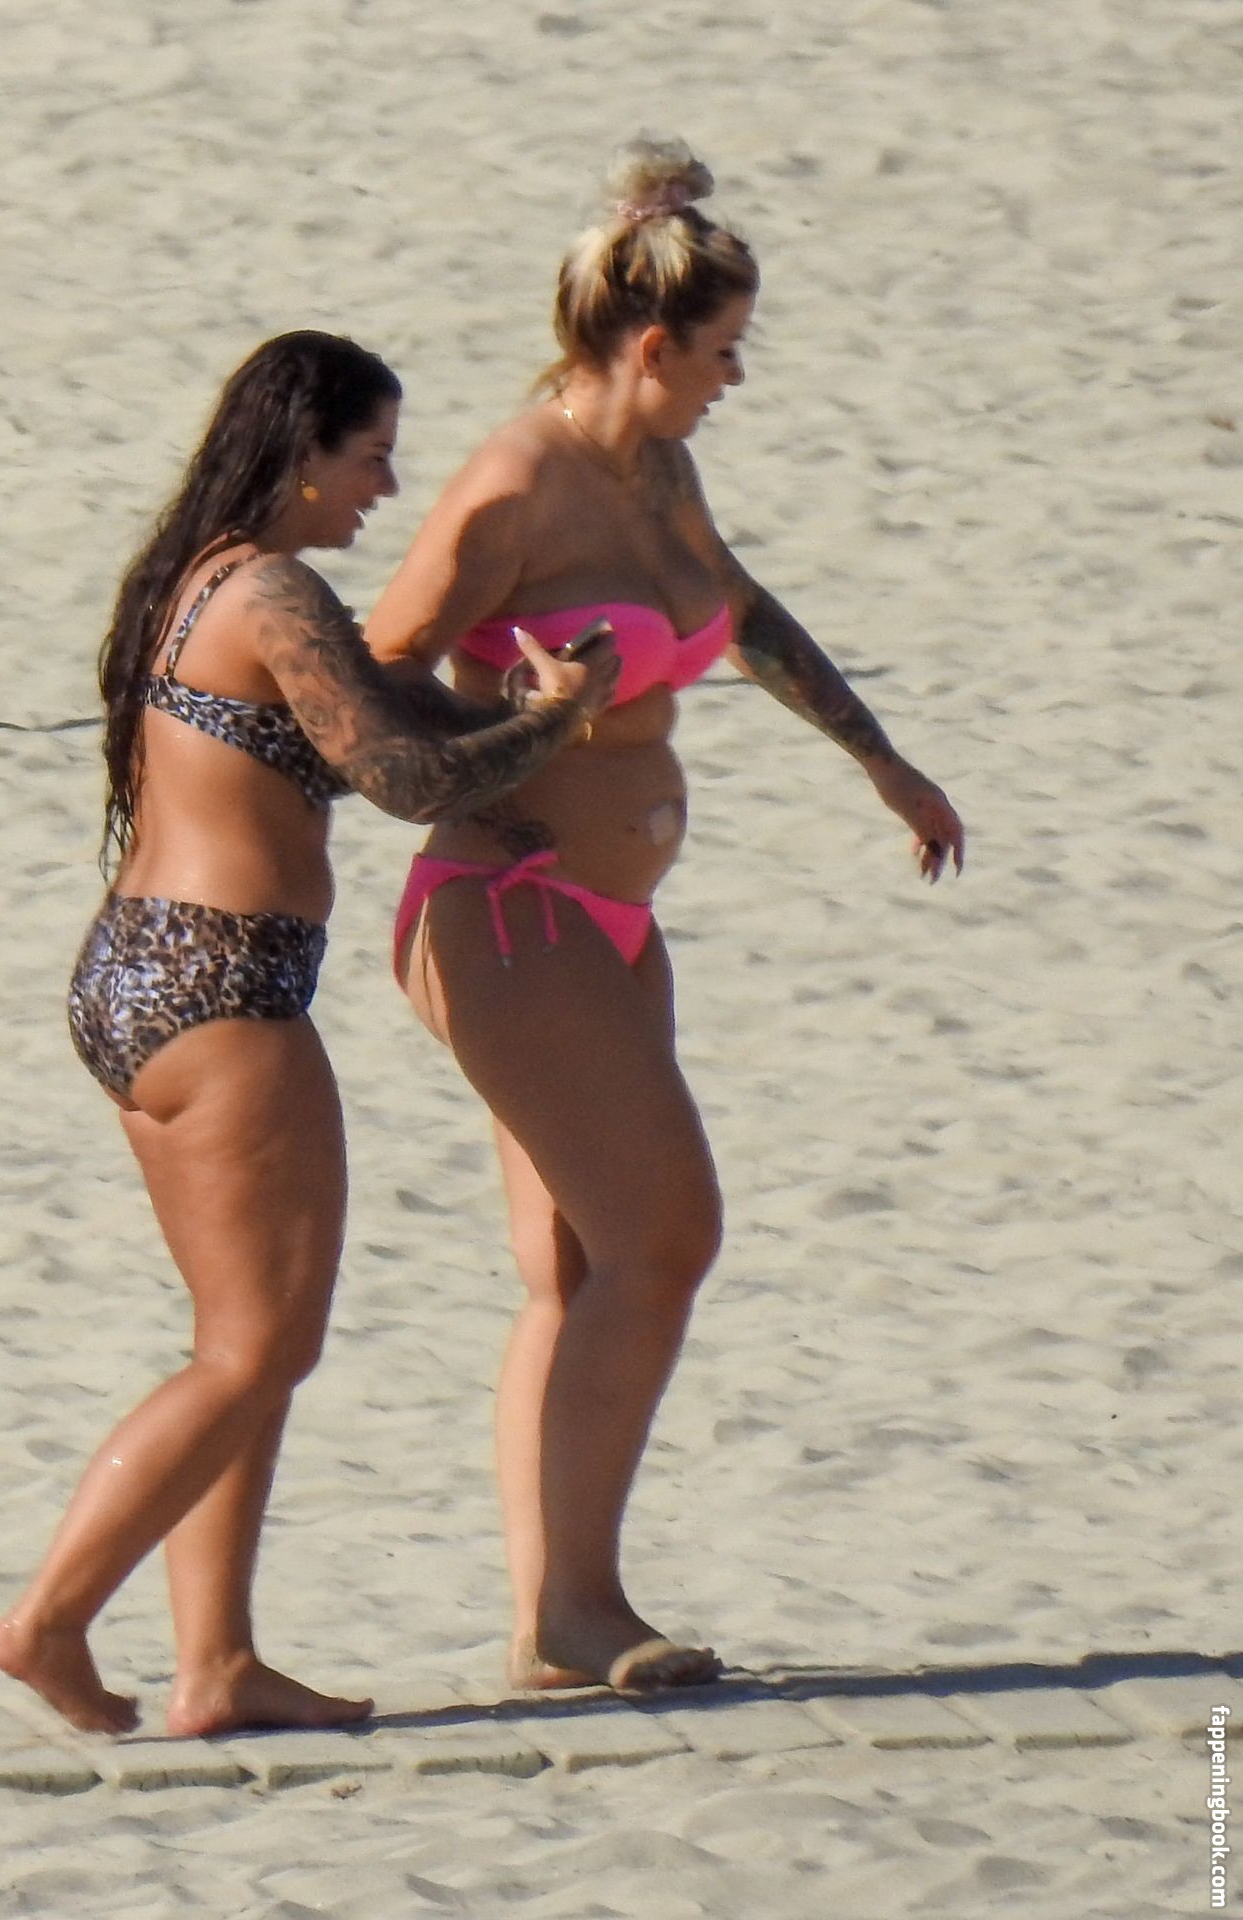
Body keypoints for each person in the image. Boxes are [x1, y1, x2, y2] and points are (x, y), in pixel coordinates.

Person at [366, 141, 965, 1697]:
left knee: (576, 1270)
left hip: (611, 921)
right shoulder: (515, 488)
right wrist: (497, 748)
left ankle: (556, 1619)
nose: (735, 378)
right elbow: (369, 674)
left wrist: (881, 762)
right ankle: (579, 1608)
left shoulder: (656, 475)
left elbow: (743, 616)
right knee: (666, 1234)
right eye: (724, 350)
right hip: (506, 906)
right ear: (650, 345)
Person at [0, 330, 617, 1737]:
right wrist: (558, 726)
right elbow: (399, 777)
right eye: (371, 456)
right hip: (221, 987)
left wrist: (508, 714)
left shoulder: (196, 576)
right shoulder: (275, 589)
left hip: (136, 974)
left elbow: (378, 708)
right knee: (255, 1350)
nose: (386, 487)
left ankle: (216, 1664)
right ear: (302, 453)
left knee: (242, 1342)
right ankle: (48, 1620)